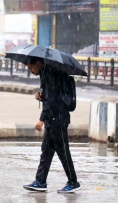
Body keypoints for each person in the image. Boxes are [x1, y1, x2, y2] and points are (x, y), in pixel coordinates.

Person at [23, 57, 80, 193]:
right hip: (53, 118)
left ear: (38, 63)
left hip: (58, 119)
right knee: (46, 151)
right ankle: (40, 181)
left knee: (63, 151)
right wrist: (41, 96)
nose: (31, 71)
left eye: (31, 67)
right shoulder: (46, 72)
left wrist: (41, 119)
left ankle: (73, 182)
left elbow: (53, 100)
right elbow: (51, 96)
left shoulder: (50, 74)